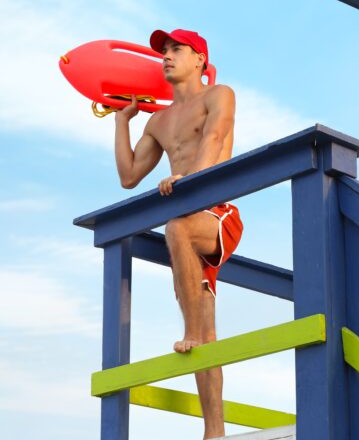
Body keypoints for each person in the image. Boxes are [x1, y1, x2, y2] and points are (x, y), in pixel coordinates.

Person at [114, 28, 243, 440]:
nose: (166, 56)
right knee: (207, 336)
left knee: (177, 226)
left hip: (216, 215)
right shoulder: (159, 120)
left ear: (199, 59)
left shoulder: (218, 94)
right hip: (185, 225)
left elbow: (216, 138)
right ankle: (215, 431)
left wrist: (187, 181)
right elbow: (129, 176)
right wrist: (121, 122)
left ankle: (187, 331)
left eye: (176, 49)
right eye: (163, 51)